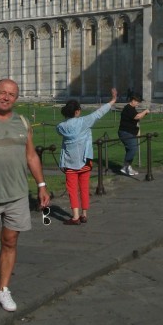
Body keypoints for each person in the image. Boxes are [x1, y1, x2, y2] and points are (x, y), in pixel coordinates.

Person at [0, 78, 51, 314]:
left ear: (16, 98)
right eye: (2, 93)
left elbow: (31, 156)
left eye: (11, 94)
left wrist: (41, 185)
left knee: (10, 242)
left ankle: (3, 288)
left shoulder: (22, 122)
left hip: (17, 194)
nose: (6, 97)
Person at [56, 88, 118, 225]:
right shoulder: (84, 121)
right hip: (85, 161)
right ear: (77, 111)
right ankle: (84, 214)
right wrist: (112, 101)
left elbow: (61, 131)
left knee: (72, 190)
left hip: (69, 162)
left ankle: (75, 216)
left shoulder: (61, 127)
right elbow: (99, 113)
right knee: (84, 187)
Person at [118, 93, 149, 176]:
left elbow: (135, 121)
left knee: (130, 150)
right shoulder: (128, 108)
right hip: (126, 132)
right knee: (133, 148)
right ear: (133, 101)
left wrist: (138, 131)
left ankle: (128, 167)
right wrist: (145, 111)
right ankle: (125, 166)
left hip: (130, 132)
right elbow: (137, 117)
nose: (138, 104)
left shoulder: (132, 108)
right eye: (137, 102)